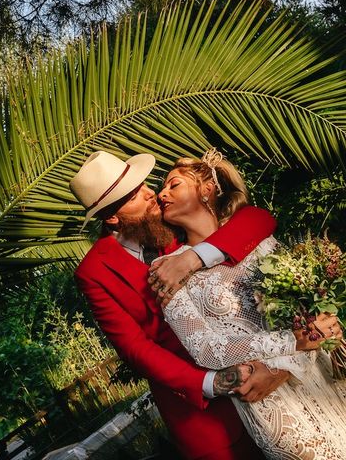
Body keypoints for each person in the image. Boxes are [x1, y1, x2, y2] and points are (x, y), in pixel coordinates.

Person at [69, 150, 286, 460]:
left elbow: (258, 219)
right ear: (112, 218)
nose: (151, 195)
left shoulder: (175, 220)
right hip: (205, 413)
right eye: (134, 196)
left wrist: (193, 257)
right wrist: (213, 382)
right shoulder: (94, 272)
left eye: (143, 185)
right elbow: (135, 348)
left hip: (268, 369)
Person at [156, 149, 346, 459]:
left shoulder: (259, 240)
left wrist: (290, 358)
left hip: (318, 375)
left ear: (207, 189)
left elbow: (310, 312)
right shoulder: (166, 268)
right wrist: (293, 341)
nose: (162, 193)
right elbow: (206, 348)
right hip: (270, 405)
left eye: (173, 185)